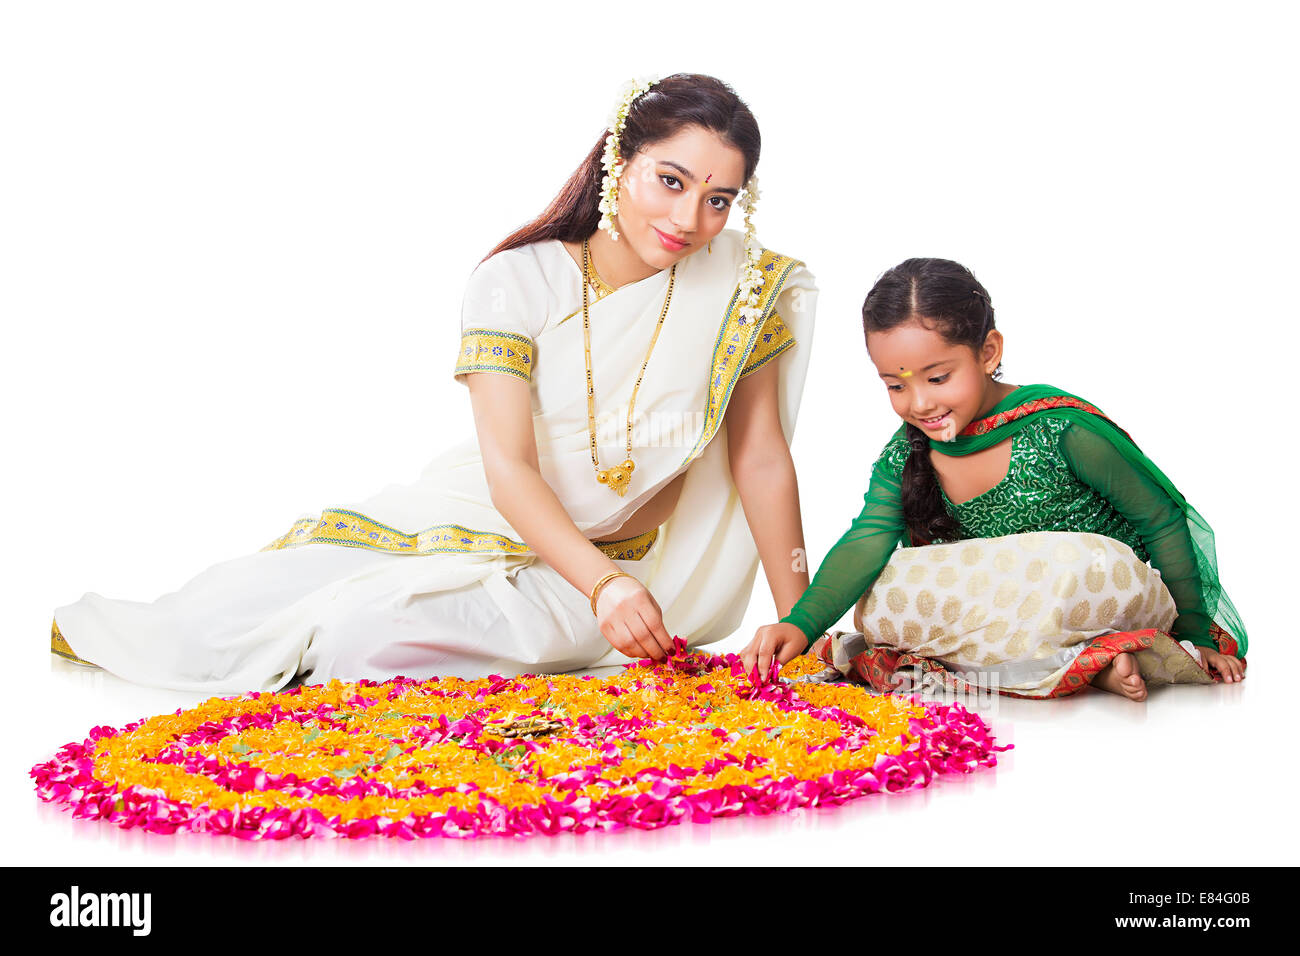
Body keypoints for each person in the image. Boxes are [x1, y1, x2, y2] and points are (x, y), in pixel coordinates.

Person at [51, 73, 819, 694]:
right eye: (671, 181)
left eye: (719, 200)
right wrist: (600, 588)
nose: (689, 218)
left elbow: (759, 458)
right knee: (223, 611)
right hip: (491, 523)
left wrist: (804, 623)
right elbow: (509, 467)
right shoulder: (516, 281)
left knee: (364, 636)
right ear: (620, 158)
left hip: (628, 576)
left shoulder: (740, 289)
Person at [740, 257, 1247, 701]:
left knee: (1067, 561)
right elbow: (868, 537)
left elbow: (1159, 519)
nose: (919, 404)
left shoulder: (1059, 427)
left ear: (988, 352)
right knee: (886, 588)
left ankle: (1099, 653)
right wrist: (801, 624)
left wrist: (1198, 634)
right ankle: (1083, 670)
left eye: (938, 378)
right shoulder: (908, 451)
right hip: (1011, 621)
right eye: (895, 385)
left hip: (1094, 595)